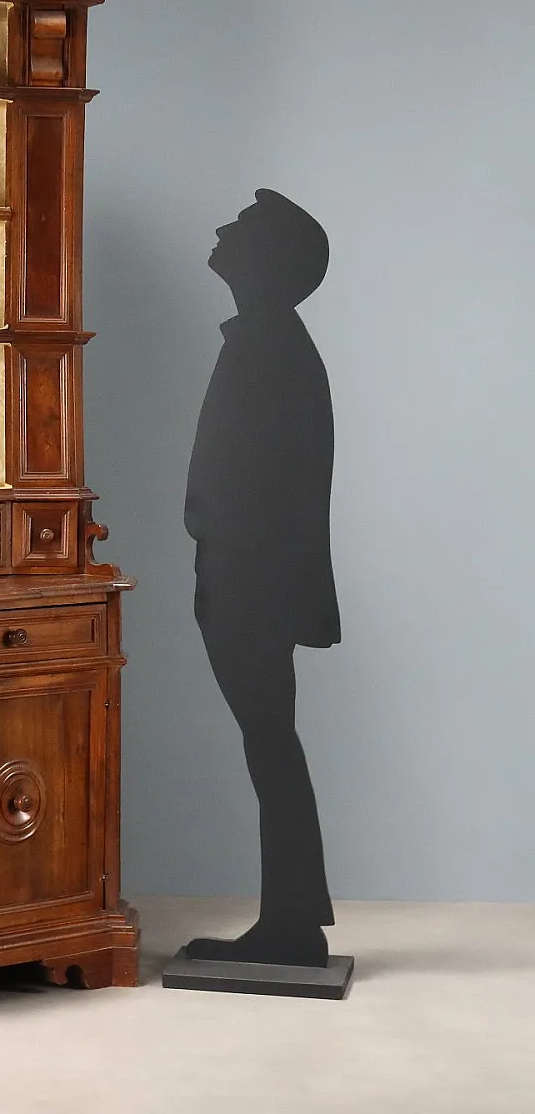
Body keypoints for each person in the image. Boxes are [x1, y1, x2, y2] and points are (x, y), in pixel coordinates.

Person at [183, 188, 340, 968]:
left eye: (241, 227)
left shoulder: (267, 346)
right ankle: (294, 914)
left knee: (270, 742)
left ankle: (292, 921)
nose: (221, 229)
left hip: (251, 580)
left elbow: (263, 482)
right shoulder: (271, 341)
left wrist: (218, 551)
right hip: (251, 576)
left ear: (267, 260)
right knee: (271, 741)